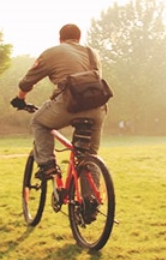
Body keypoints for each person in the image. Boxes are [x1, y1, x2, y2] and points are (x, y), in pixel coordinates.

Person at [11, 24, 108, 180]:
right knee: (88, 157)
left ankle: (47, 165)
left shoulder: (53, 52)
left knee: (38, 122)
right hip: (97, 109)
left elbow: (27, 82)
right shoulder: (92, 53)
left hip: (69, 104)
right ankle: (90, 201)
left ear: (60, 38)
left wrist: (20, 99)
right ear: (79, 38)